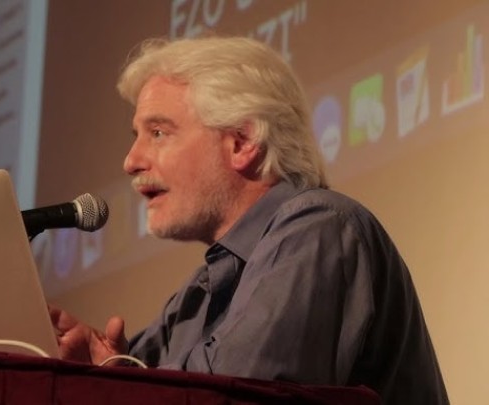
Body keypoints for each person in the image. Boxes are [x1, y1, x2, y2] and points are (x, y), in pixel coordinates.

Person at [49, 36, 449, 404]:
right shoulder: (197, 294)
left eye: (157, 133)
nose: (131, 161)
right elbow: (142, 382)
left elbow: (233, 394)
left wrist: (119, 383)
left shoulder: (319, 228)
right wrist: (98, 372)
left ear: (242, 143)